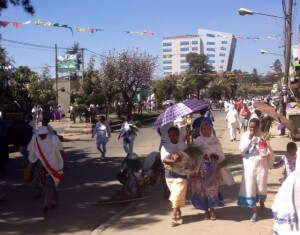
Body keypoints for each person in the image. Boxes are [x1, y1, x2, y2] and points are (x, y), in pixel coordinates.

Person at [187, 118, 226, 220]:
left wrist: (213, 156)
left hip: (212, 169)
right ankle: (206, 211)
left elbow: (220, 155)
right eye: (204, 129)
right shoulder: (197, 141)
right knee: (202, 191)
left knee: (211, 189)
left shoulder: (215, 141)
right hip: (199, 170)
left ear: (211, 129)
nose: (206, 131)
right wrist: (190, 144)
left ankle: (212, 210)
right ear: (200, 130)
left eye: (208, 128)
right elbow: (192, 155)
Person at [238, 118, 274, 222]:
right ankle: (254, 212)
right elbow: (242, 150)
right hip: (249, 166)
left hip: (261, 166)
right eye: (251, 126)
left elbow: (269, 152)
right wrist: (249, 138)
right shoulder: (245, 136)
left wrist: (265, 146)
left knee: (261, 187)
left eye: (255, 127)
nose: (252, 129)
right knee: (250, 187)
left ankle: (262, 202)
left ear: (258, 127)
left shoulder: (262, 136)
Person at [27, 126, 65, 218]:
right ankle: (55, 201)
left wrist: (65, 163)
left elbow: (61, 151)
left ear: (47, 134)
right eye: (40, 135)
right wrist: (29, 163)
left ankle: (45, 206)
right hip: (41, 166)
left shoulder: (54, 139)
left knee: (49, 185)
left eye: (43, 135)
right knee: (47, 185)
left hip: (53, 165)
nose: (41, 137)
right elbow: (31, 151)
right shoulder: (35, 139)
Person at [160, 126, 188, 227]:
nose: (172, 137)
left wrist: (181, 158)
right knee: (174, 194)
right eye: (170, 135)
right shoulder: (165, 146)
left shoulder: (183, 145)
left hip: (181, 174)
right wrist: (173, 161)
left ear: (178, 135)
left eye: (174, 135)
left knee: (176, 195)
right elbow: (163, 159)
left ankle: (174, 217)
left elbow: (189, 158)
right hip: (169, 175)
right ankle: (178, 209)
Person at [271, 148, 300, 234]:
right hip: (293, 182)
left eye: (293, 151)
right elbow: (277, 165)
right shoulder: (285, 157)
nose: (291, 153)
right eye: (289, 151)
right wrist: (269, 163)